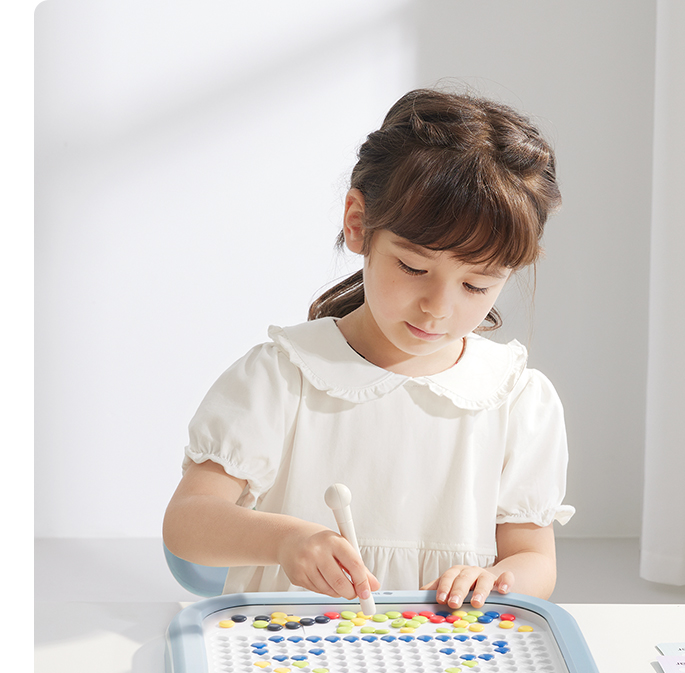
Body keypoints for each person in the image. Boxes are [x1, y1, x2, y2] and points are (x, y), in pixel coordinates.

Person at [163, 88, 574, 610]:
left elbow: (534, 559)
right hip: (290, 645)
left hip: (439, 648)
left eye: (476, 285)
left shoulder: (515, 399)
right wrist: (286, 541)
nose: (438, 307)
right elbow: (188, 523)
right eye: (414, 268)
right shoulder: (284, 376)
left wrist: (497, 580)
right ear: (358, 224)